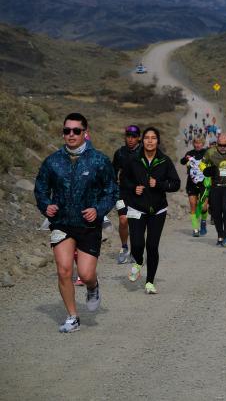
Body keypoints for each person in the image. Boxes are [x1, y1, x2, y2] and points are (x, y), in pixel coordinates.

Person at [34, 113, 117, 333]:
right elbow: (41, 188)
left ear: (85, 132)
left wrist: (98, 210)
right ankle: (72, 317)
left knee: (86, 273)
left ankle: (93, 286)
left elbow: (111, 191)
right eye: (67, 131)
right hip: (61, 223)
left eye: (76, 131)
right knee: (63, 270)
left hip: (88, 225)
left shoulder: (99, 160)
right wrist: (46, 206)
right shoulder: (53, 161)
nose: (71, 135)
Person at [120, 127, 181, 294]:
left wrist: (159, 184)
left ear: (158, 141)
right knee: (138, 244)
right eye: (147, 137)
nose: (150, 140)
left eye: (153, 138)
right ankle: (138, 262)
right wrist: (134, 189)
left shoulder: (165, 161)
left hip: (158, 210)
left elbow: (176, 184)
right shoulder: (133, 160)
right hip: (136, 208)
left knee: (152, 246)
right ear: (142, 140)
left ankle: (149, 282)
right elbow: (123, 182)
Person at [201, 133, 226, 247]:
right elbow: (202, 164)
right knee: (216, 212)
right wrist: (206, 170)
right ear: (217, 144)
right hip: (215, 186)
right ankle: (220, 235)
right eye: (220, 145)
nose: (223, 147)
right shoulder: (210, 152)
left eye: (225, 145)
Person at [111, 125, 141, 264]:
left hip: (139, 193)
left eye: (133, 136)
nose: (130, 139)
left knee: (135, 222)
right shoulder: (120, 153)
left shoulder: (144, 152)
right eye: (128, 136)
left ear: (139, 138)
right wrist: (112, 188)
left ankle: (136, 251)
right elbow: (113, 172)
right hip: (122, 192)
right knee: (123, 220)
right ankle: (124, 247)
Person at [180, 137, 209, 237]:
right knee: (193, 205)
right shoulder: (190, 153)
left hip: (203, 183)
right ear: (193, 144)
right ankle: (195, 228)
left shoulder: (207, 152)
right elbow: (182, 162)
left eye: (199, 143)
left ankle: (203, 222)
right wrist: (186, 158)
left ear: (203, 143)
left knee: (204, 207)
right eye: (196, 143)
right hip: (191, 183)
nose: (197, 145)